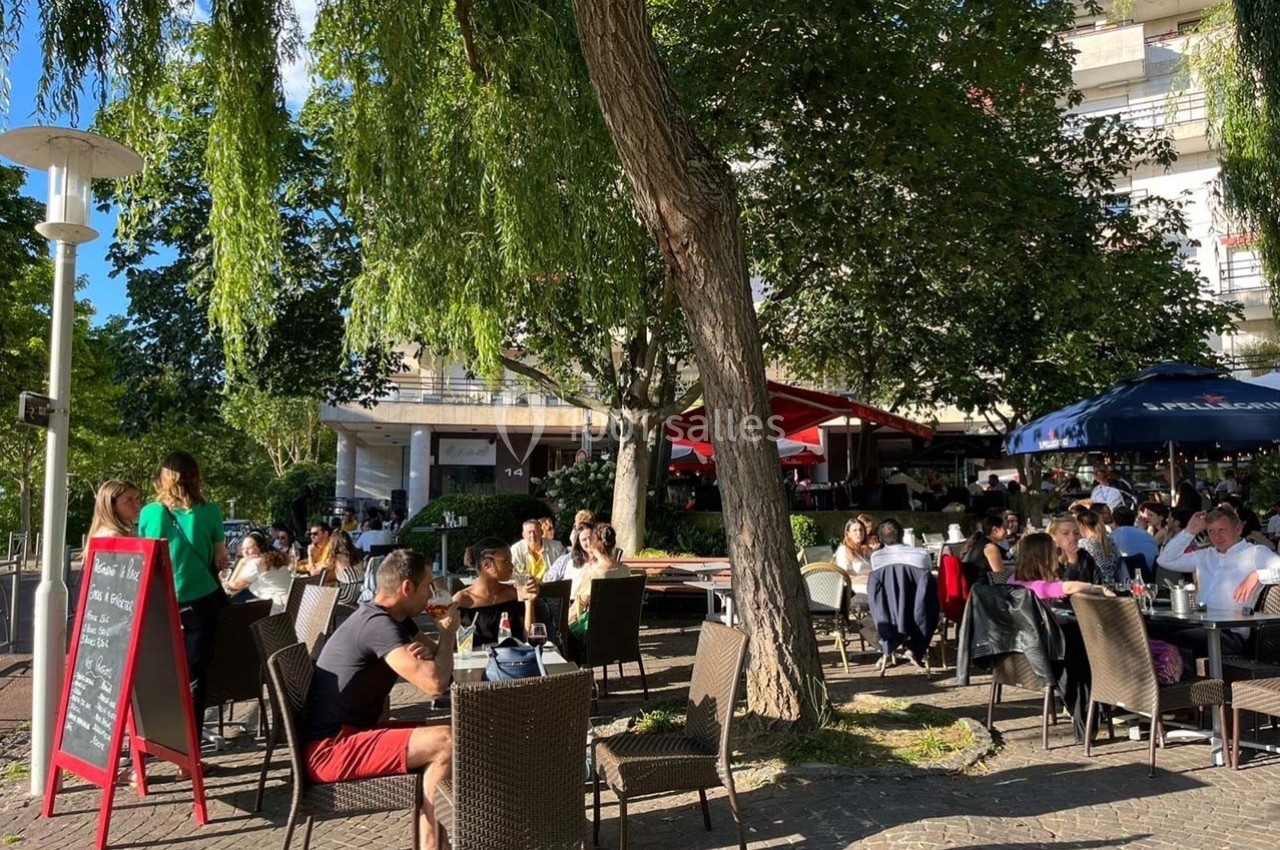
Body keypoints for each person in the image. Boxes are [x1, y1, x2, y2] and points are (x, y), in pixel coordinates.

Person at [304, 550, 456, 850]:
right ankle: (432, 843)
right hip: (330, 749)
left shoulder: (396, 619)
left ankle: (434, 842)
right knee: (447, 741)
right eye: (428, 586)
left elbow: (439, 666)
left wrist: (435, 651)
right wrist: (448, 634)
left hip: (354, 733)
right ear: (407, 588)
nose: (431, 595)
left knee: (460, 729)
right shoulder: (378, 625)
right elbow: (436, 684)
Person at [136, 451, 228, 754]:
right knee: (194, 677)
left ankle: (159, 741)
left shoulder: (150, 513)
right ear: (195, 477)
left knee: (160, 673)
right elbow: (221, 558)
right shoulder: (210, 512)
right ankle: (189, 753)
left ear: (164, 478)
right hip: (201, 602)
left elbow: (143, 559)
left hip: (160, 603)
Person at [1157, 507, 1280, 659]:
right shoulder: (1205, 555)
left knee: (1179, 640)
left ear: (1238, 529)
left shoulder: (1255, 553)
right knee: (1150, 629)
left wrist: (1257, 575)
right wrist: (1189, 532)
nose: (1216, 536)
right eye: (1211, 531)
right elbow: (1165, 560)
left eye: (1222, 530)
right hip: (1198, 623)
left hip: (1229, 633)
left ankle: (1178, 673)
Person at [453, 539, 539, 645]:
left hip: (513, 654)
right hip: (477, 655)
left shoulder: (514, 594)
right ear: (487, 565)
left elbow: (529, 640)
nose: (512, 566)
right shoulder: (462, 600)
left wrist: (529, 602)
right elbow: (452, 642)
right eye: (506, 561)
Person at [1008, 532, 1113, 602]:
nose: (1058, 556)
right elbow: (1067, 587)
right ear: (1044, 557)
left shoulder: (1013, 580)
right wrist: (1099, 588)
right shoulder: (1037, 588)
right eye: (1057, 551)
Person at [569, 523, 630, 629]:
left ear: (593, 545)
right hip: (621, 627)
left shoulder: (592, 573)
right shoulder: (625, 570)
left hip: (596, 630)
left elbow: (576, 610)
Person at [223, 531, 292, 612]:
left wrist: (241, 563)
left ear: (260, 548)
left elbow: (233, 585)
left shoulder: (256, 563)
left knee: (231, 606)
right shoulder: (273, 560)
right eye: (243, 548)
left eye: (249, 548)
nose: (245, 552)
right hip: (289, 605)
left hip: (277, 609)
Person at [1110, 506, 1158, 577]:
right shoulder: (1147, 535)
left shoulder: (1112, 537)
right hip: (1152, 575)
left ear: (1114, 521)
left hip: (1126, 577)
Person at [1047, 515, 1097, 583]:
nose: (1072, 538)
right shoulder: (1047, 559)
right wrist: (1072, 563)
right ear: (1053, 536)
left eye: (1076, 533)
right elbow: (1062, 587)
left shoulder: (1085, 556)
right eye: (1065, 533)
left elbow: (1096, 581)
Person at [960, 514, 1007, 585]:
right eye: (1004, 528)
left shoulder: (980, 543)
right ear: (995, 529)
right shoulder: (991, 548)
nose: (1007, 531)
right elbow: (1000, 576)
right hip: (984, 588)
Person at [1076, 510, 1119, 584]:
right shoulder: (1110, 541)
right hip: (1114, 582)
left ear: (1082, 525)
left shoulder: (1083, 544)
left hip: (1097, 584)